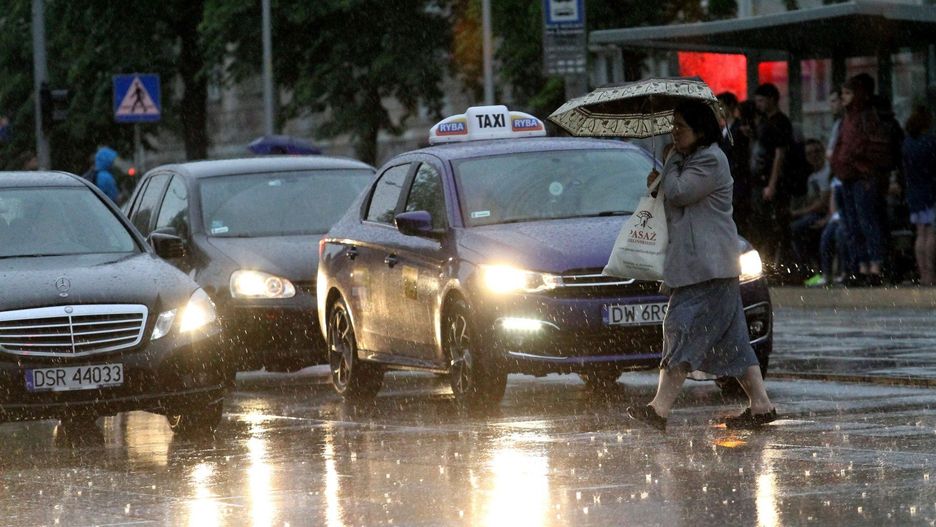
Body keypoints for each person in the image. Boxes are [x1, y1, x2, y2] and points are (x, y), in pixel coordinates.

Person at [626, 99, 777, 432]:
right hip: (703, 266)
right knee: (734, 342)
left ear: (701, 130)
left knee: (680, 328)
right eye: (673, 125)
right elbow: (671, 201)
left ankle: (659, 408)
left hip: (707, 267)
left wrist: (667, 166)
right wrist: (660, 177)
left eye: (680, 126)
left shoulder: (710, 159)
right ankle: (762, 406)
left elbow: (679, 193)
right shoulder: (688, 159)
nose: (674, 132)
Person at [831, 74, 889, 286]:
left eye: (848, 93)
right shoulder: (850, 117)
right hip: (851, 176)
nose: (844, 97)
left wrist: (847, 162)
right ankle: (864, 267)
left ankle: (873, 267)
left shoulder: (865, 117)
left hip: (860, 176)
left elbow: (862, 147)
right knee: (855, 224)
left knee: (866, 223)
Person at [748, 83, 794, 271]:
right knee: (762, 224)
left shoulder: (780, 122)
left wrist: (772, 183)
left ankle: (778, 265)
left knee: (774, 225)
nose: (758, 104)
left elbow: (779, 154)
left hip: (770, 181)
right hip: (760, 180)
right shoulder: (765, 121)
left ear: (771, 100)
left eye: (761, 100)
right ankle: (769, 263)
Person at [901, 105, 936, 285]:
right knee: (930, 233)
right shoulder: (929, 141)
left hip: (914, 192)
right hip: (929, 191)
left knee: (920, 234)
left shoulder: (908, 143)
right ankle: (930, 273)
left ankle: (924, 274)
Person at [789, 139, 831, 273]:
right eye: (809, 153)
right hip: (814, 214)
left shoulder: (828, 172)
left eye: (817, 151)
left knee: (796, 229)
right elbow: (811, 201)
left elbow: (822, 203)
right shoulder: (811, 177)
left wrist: (798, 213)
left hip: (827, 214)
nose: (814, 156)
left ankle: (807, 269)